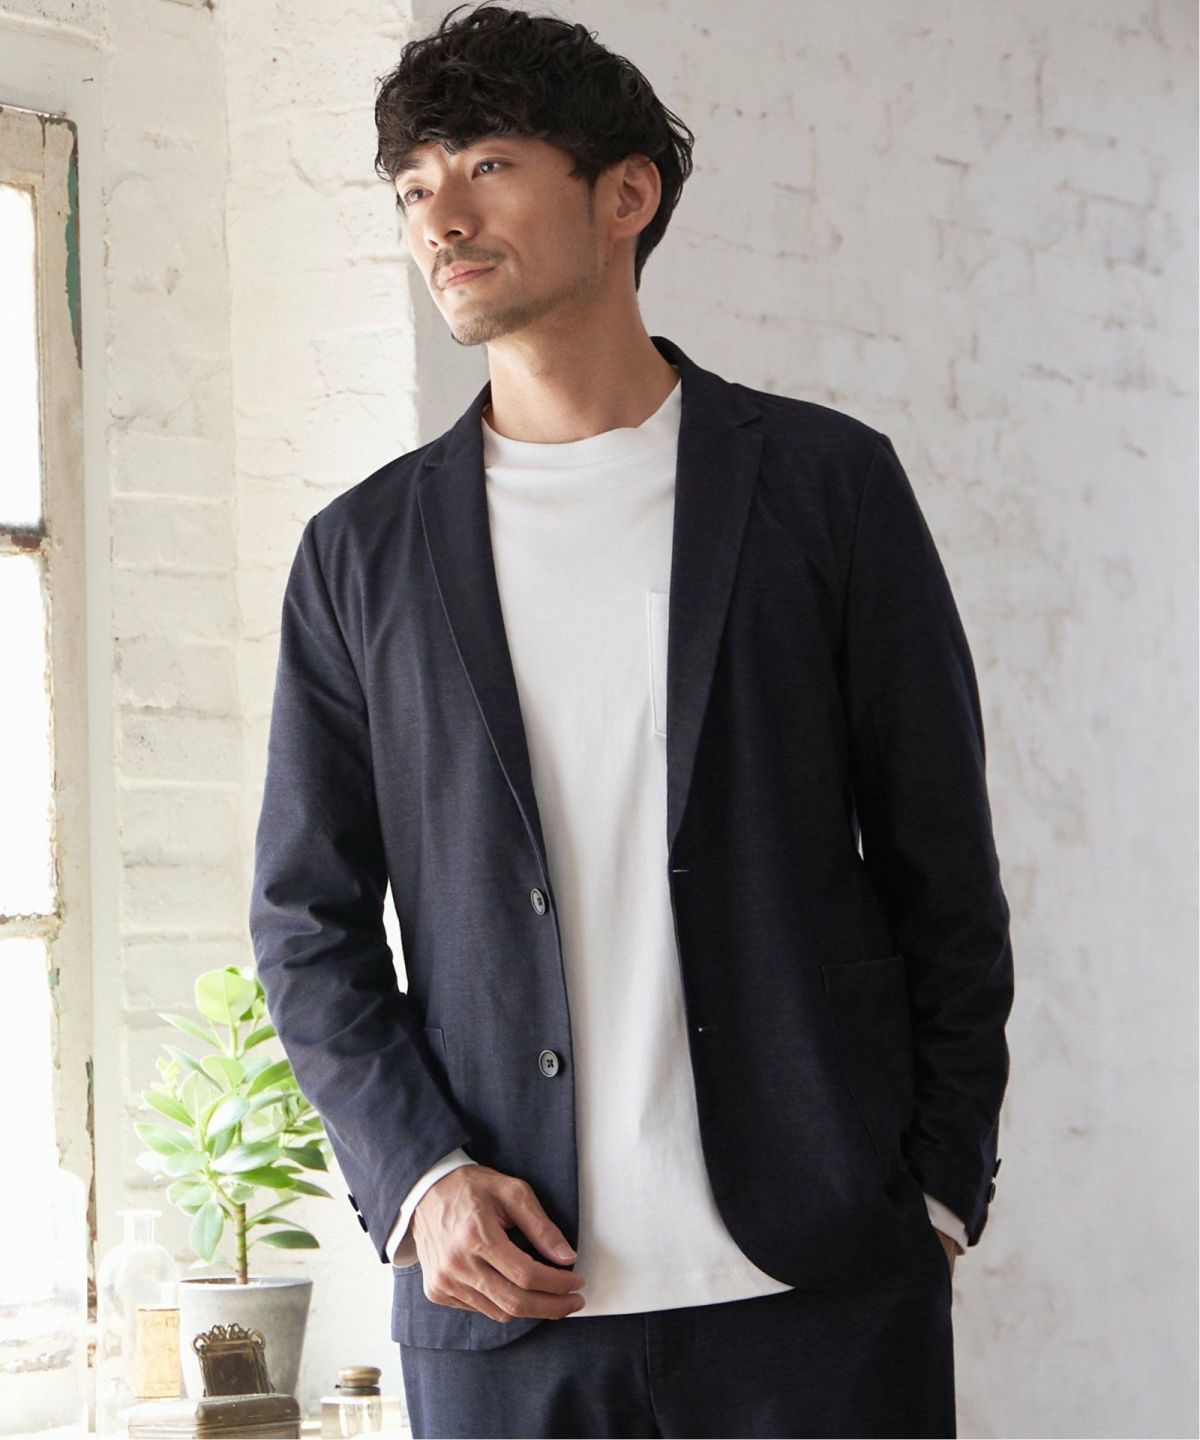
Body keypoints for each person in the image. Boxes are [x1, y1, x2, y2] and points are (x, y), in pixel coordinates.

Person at [250, 4, 1014, 1436]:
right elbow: (307, 920)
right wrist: (421, 1181)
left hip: (819, 1294)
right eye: (413, 187)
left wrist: (936, 1186)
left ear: (626, 195)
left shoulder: (826, 489)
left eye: (487, 165)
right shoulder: (361, 553)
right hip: (510, 1314)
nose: (441, 219)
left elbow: (944, 872)